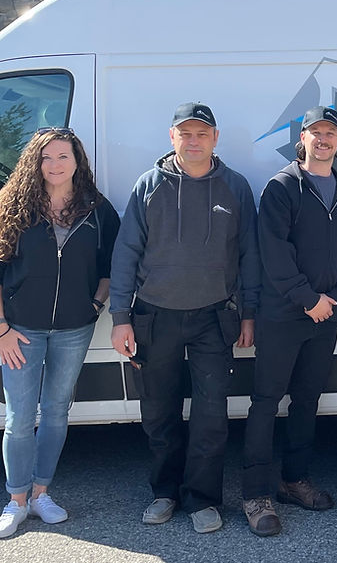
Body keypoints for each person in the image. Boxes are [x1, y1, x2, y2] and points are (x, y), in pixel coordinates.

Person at [108, 103, 260, 534]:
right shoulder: (149, 186)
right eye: (185, 134)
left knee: (211, 415)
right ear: (171, 137)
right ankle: (165, 493)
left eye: (202, 134)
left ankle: (203, 499)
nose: (193, 141)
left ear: (215, 139)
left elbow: (250, 255)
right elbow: (126, 254)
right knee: (159, 412)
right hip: (154, 317)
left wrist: (249, 313)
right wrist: (122, 317)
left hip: (214, 317)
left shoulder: (235, 188)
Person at [0, 128, 120, 539]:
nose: (55, 165)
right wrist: (0, 328)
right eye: (46, 157)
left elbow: (112, 262)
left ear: (78, 161)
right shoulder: (12, 206)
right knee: (19, 418)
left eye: (63, 156)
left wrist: (95, 305)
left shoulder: (96, 209)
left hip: (74, 329)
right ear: (34, 162)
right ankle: (16, 501)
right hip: (20, 331)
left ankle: (41, 493)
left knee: (56, 412)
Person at [241, 105, 337, 536]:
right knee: (265, 402)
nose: (324, 139)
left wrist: (332, 298)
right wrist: (307, 298)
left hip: (325, 316)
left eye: (331, 133)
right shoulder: (282, 189)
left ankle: (294, 480)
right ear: (303, 139)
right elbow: (273, 253)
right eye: (316, 132)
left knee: (307, 401)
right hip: (283, 314)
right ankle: (255, 494)